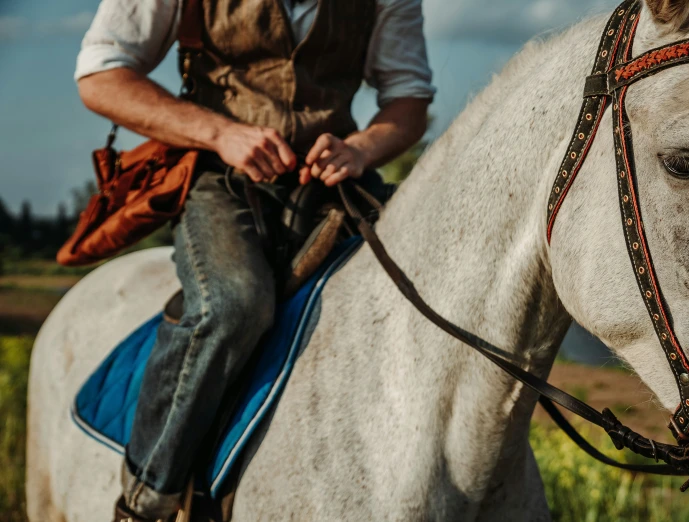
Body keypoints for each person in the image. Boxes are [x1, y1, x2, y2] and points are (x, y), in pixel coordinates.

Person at [75, 0, 434, 519]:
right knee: (232, 304)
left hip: (335, 183)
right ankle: (145, 499)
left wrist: (359, 149)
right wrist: (221, 133)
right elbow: (100, 76)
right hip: (219, 179)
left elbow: (408, 100)